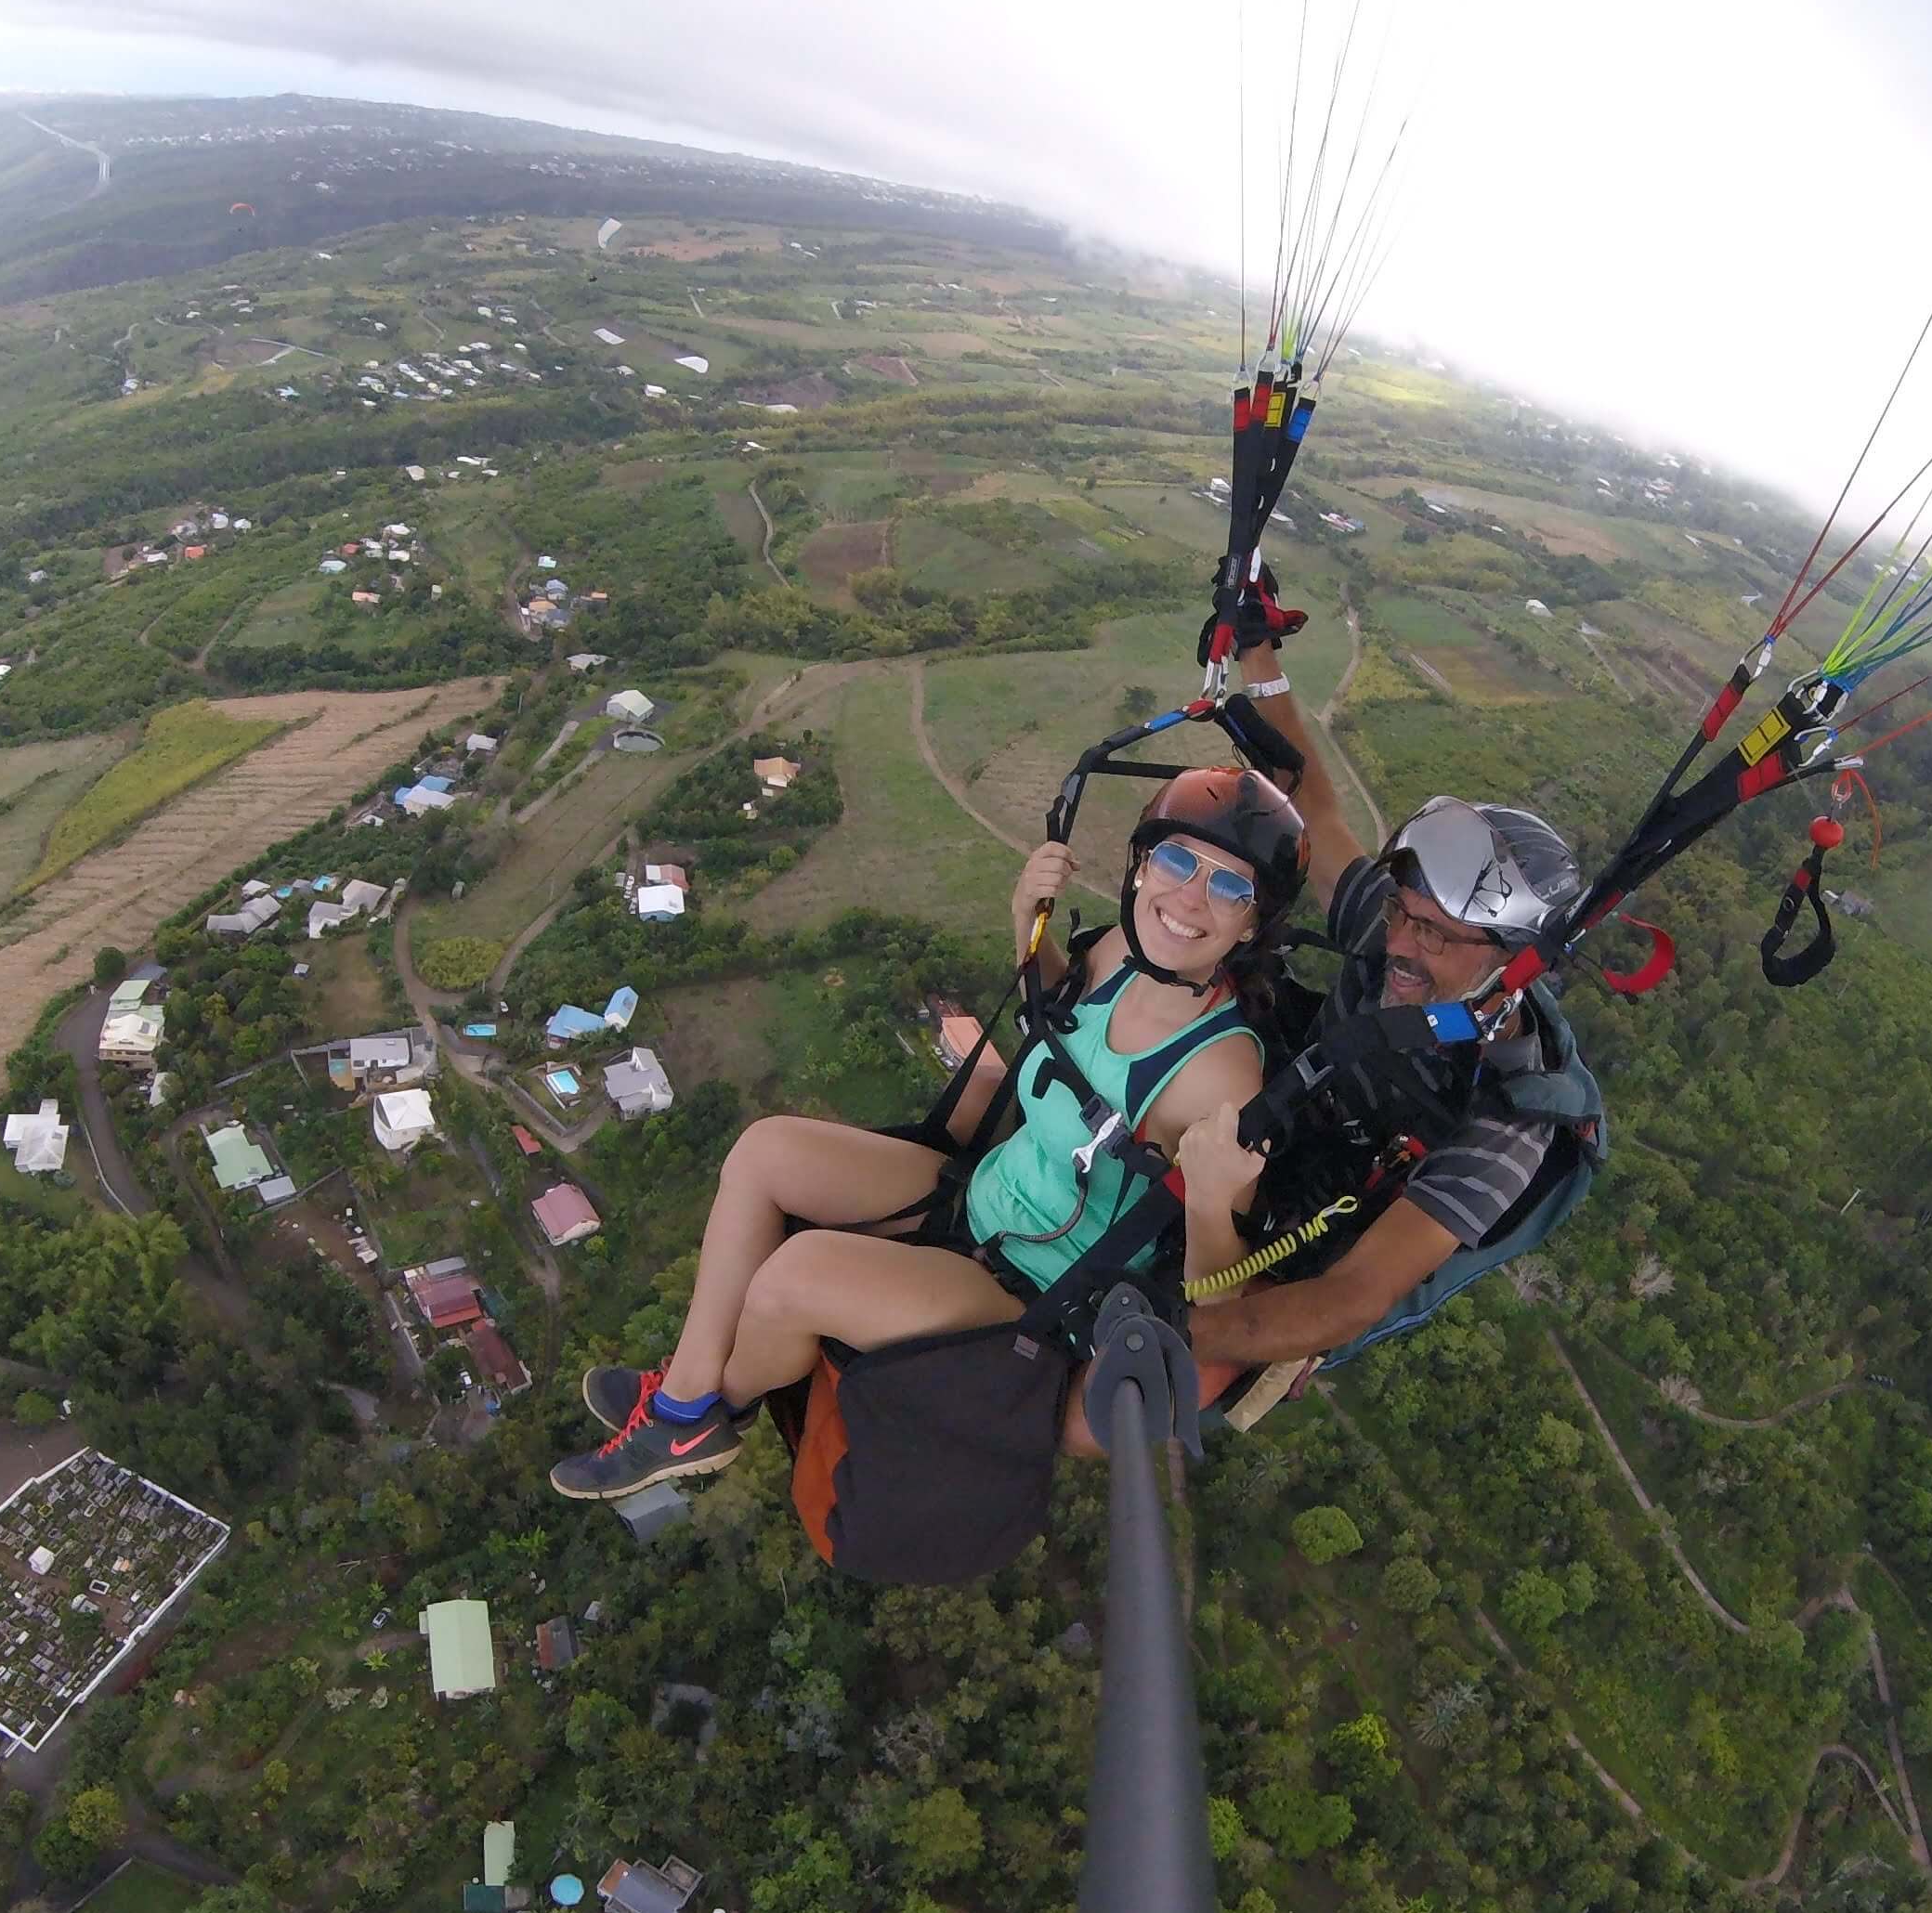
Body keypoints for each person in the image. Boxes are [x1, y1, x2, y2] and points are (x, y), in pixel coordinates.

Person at [549, 768, 1309, 1499]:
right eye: (1177, 859)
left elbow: (1218, 1297)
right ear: (1141, 865)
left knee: (792, 1278)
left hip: (1036, 1290)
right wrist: (1027, 925)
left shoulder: (1219, 1075)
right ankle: (685, 1392)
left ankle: (695, 1418)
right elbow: (1055, 1018)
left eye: (1230, 886)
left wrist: (1211, 1202)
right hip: (980, 1196)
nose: (1190, 897)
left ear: (1251, 925)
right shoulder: (1116, 953)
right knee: (764, 1152)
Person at [1171, 638, 1601, 1399]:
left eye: (1433, 934)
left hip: (1305, 1250)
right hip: (1272, 1124)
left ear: (1515, 961)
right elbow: (1314, 805)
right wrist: (1262, 652)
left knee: (1126, 1402)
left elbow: (1350, 1298)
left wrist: (1154, 1325)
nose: (1399, 942)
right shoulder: (1393, 924)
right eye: (1403, 914)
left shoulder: (1508, 1122)